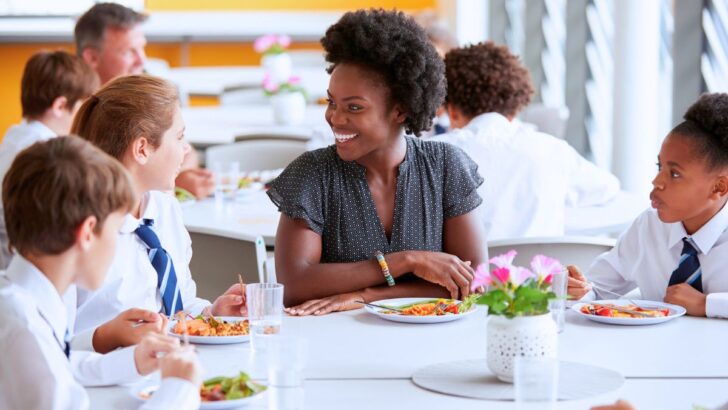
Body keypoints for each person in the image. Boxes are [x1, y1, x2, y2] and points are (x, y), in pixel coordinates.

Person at [268, 9, 486, 316]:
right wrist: (407, 261)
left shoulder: (446, 167)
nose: (335, 118)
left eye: (354, 107)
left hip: (435, 344)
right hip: (335, 344)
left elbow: (473, 282)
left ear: (400, 110)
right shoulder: (312, 174)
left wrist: (364, 295)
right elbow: (293, 285)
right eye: (332, 102)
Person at [0, 136, 201, 409]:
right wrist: (178, 390)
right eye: (117, 227)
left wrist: (131, 361)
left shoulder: (26, 302)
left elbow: (61, 363)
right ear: (86, 233)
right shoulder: (24, 327)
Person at [69, 75, 246, 353]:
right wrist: (106, 336)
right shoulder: (81, 230)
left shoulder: (163, 208)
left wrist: (212, 312)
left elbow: (178, 307)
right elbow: (53, 344)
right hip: (106, 380)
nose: (186, 149)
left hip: (168, 366)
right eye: (179, 137)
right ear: (142, 149)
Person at [430, 41, 620, 240]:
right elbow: (607, 187)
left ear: (451, 110)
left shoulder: (432, 153)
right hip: (536, 270)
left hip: (462, 270)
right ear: (515, 110)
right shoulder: (552, 150)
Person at [568, 93, 728, 318]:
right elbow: (596, 288)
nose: (657, 182)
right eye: (659, 166)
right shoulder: (648, 226)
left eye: (674, 174)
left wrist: (707, 305)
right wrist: (577, 289)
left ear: (719, 187)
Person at [75, 2, 214, 199]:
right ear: (92, 58)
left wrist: (175, 175)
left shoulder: (141, 97)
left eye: (142, 49)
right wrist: (169, 181)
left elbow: (188, 152)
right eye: (129, 51)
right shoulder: (70, 114)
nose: (141, 61)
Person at [0, 50, 98, 269]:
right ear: (60, 106)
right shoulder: (48, 157)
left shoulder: (15, 136)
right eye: (82, 107)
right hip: (26, 265)